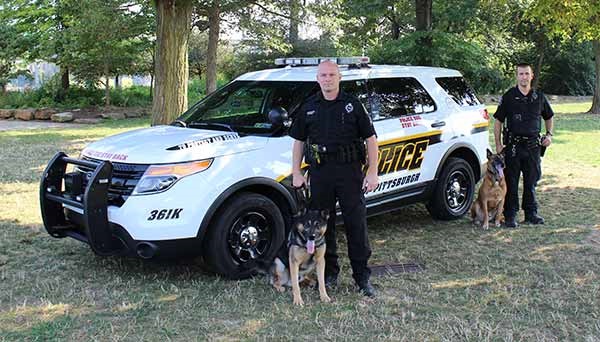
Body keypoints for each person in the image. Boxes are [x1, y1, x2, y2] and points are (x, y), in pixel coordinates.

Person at [289, 60, 379, 297]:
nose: (327, 79)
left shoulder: (353, 105)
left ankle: (362, 278)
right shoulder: (309, 107)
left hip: (350, 173)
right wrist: (297, 172)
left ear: (339, 78)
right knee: (320, 226)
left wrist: (372, 172)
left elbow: (370, 139)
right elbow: (298, 141)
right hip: (320, 173)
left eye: (331, 75)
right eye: (323, 75)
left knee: (356, 225)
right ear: (317, 79)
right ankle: (328, 274)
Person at [493, 63, 554, 228]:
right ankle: (510, 215)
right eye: (521, 74)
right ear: (517, 76)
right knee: (511, 182)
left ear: (532, 76)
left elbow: (549, 116)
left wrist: (549, 135)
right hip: (513, 146)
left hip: (533, 146)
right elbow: (498, 120)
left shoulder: (539, 97)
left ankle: (531, 214)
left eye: (527, 74)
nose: (524, 77)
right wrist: (498, 144)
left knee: (531, 181)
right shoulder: (509, 97)